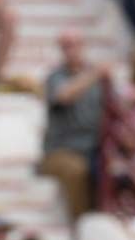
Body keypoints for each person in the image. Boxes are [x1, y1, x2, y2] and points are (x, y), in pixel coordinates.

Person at [39, 30, 109, 222]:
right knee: (75, 169)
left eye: (75, 44)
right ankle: (81, 222)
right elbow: (64, 95)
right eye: (66, 45)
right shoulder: (55, 77)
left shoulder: (96, 79)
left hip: (94, 149)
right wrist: (94, 74)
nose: (71, 50)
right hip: (60, 151)